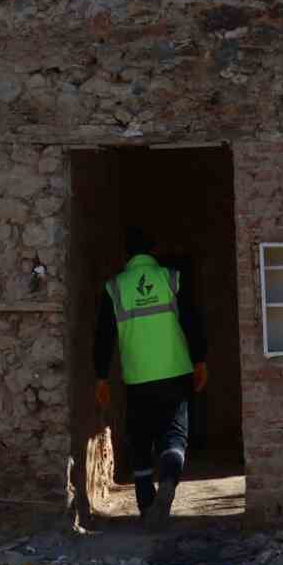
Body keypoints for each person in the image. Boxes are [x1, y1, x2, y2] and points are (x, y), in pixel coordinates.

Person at [93, 227, 208, 529]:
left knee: (141, 437)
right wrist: (200, 360)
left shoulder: (115, 287)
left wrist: (100, 376)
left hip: (137, 376)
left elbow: (103, 336)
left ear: (126, 254)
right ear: (152, 251)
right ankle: (168, 481)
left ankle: (146, 503)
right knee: (175, 435)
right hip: (176, 372)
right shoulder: (171, 278)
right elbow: (192, 321)